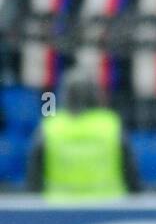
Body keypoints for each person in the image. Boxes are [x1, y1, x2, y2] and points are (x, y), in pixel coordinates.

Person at [26, 69, 141, 199]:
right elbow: (132, 176)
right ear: (96, 94)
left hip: (59, 209)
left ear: (65, 94)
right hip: (108, 206)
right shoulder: (111, 125)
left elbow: (33, 181)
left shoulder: (49, 127)